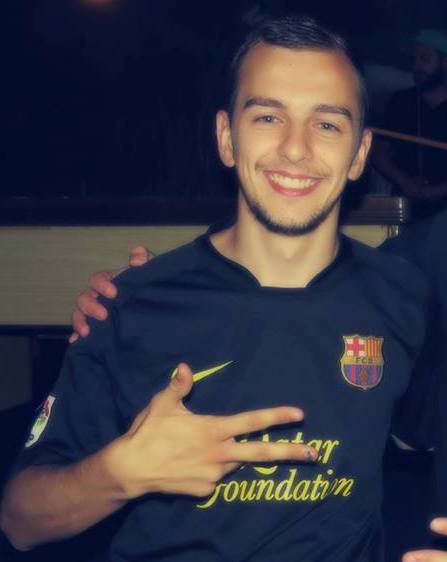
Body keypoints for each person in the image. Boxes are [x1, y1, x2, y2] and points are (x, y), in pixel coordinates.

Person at [0, 15, 430, 562]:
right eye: (268, 116)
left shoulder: (407, 295)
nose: (295, 149)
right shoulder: (134, 305)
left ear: (360, 154)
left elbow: (421, 432)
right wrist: (122, 472)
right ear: (227, 138)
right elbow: (20, 521)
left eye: (326, 124)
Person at [373, 29, 447, 220]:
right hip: (402, 203)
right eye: (414, 59)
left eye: (424, 59)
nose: (415, 66)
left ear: (445, 63)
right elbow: (378, 149)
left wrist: (437, 191)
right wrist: (404, 182)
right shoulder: (401, 100)